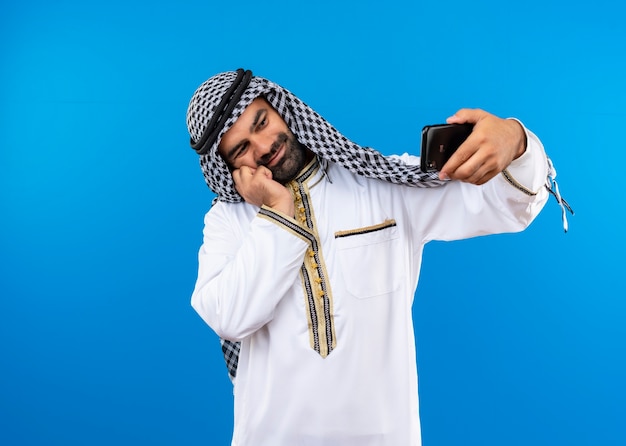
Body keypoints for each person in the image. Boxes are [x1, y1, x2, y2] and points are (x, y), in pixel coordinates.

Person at [185, 69, 569, 446]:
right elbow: (229, 318)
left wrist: (516, 141)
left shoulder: (382, 185)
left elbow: (508, 206)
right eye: (240, 149)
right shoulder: (228, 222)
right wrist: (276, 214)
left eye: (262, 122)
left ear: (282, 109)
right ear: (228, 168)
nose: (263, 145)